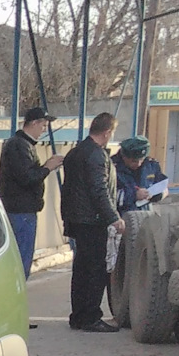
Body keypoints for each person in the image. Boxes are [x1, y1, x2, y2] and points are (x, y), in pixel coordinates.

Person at [61, 112, 124, 332]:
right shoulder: (97, 156)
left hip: (77, 219)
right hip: (92, 221)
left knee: (81, 269)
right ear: (107, 133)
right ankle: (90, 316)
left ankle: (78, 315)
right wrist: (113, 217)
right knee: (95, 269)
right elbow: (99, 191)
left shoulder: (75, 153)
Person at [0, 106, 66, 277]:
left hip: (21, 210)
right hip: (21, 211)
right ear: (34, 123)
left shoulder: (21, 144)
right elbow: (26, 177)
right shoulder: (19, 146)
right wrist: (47, 167)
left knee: (20, 259)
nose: (43, 131)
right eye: (43, 126)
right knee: (20, 262)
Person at [114, 137, 168, 213]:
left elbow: (163, 186)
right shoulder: (112, 167)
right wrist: (134, 195)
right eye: (134, 161)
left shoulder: (151, 165)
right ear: (124, 156)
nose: (138, 164)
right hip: (121, 215)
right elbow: (106, 197)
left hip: (145, 215)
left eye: (141, 159)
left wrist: (157, 195)